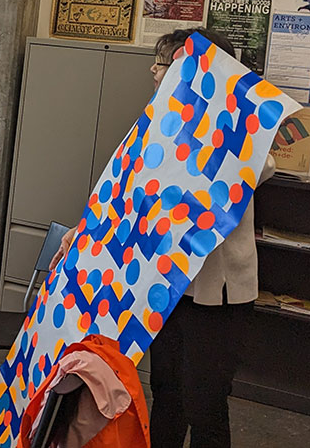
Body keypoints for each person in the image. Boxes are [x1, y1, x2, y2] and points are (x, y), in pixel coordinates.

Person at [48, 27, 274, 448]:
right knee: (166, 393)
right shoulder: (160, 124)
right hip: (167, 287)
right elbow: (131, 197)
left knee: (204, 401)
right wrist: (84, 232)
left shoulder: (233, 128)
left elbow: (261, 168)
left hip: (217, 296)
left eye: (163, 62)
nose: (153, 70)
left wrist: (218, 113)